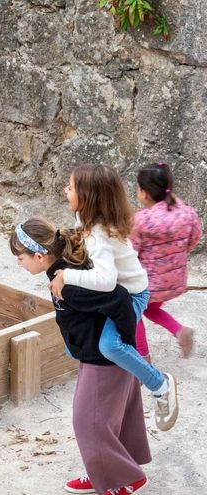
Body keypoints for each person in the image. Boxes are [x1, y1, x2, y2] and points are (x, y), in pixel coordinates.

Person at [12, 218, 150, 495]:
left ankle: (125, 479)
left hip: (103, 359)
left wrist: (123, 341)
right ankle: (109, 471)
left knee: (88, 421)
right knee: (113, 414)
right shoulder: (63, 273)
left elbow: (119, 299)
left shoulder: (70, 284)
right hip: (97, 355)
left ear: (39, 256)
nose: (19, 263)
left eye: (21, 258)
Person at [49, 164, 178, 431]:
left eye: (71, 187)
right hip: (117, 294)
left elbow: (105, 281)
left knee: (110, 345)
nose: (65, 189)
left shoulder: (98, 234)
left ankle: (160, 384)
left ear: (87, 197)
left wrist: (65, 276)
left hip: (132, 295)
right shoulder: (85, 221)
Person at [131, 162, 202, 358]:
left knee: (133, 310)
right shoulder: (187, 213)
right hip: (175, 280)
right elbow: (194, 238)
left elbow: (131, 252)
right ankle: (179, 331)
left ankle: (142, 356)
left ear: (144, 193)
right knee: (150, 309)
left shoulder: (142, 221)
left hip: (149, 284)